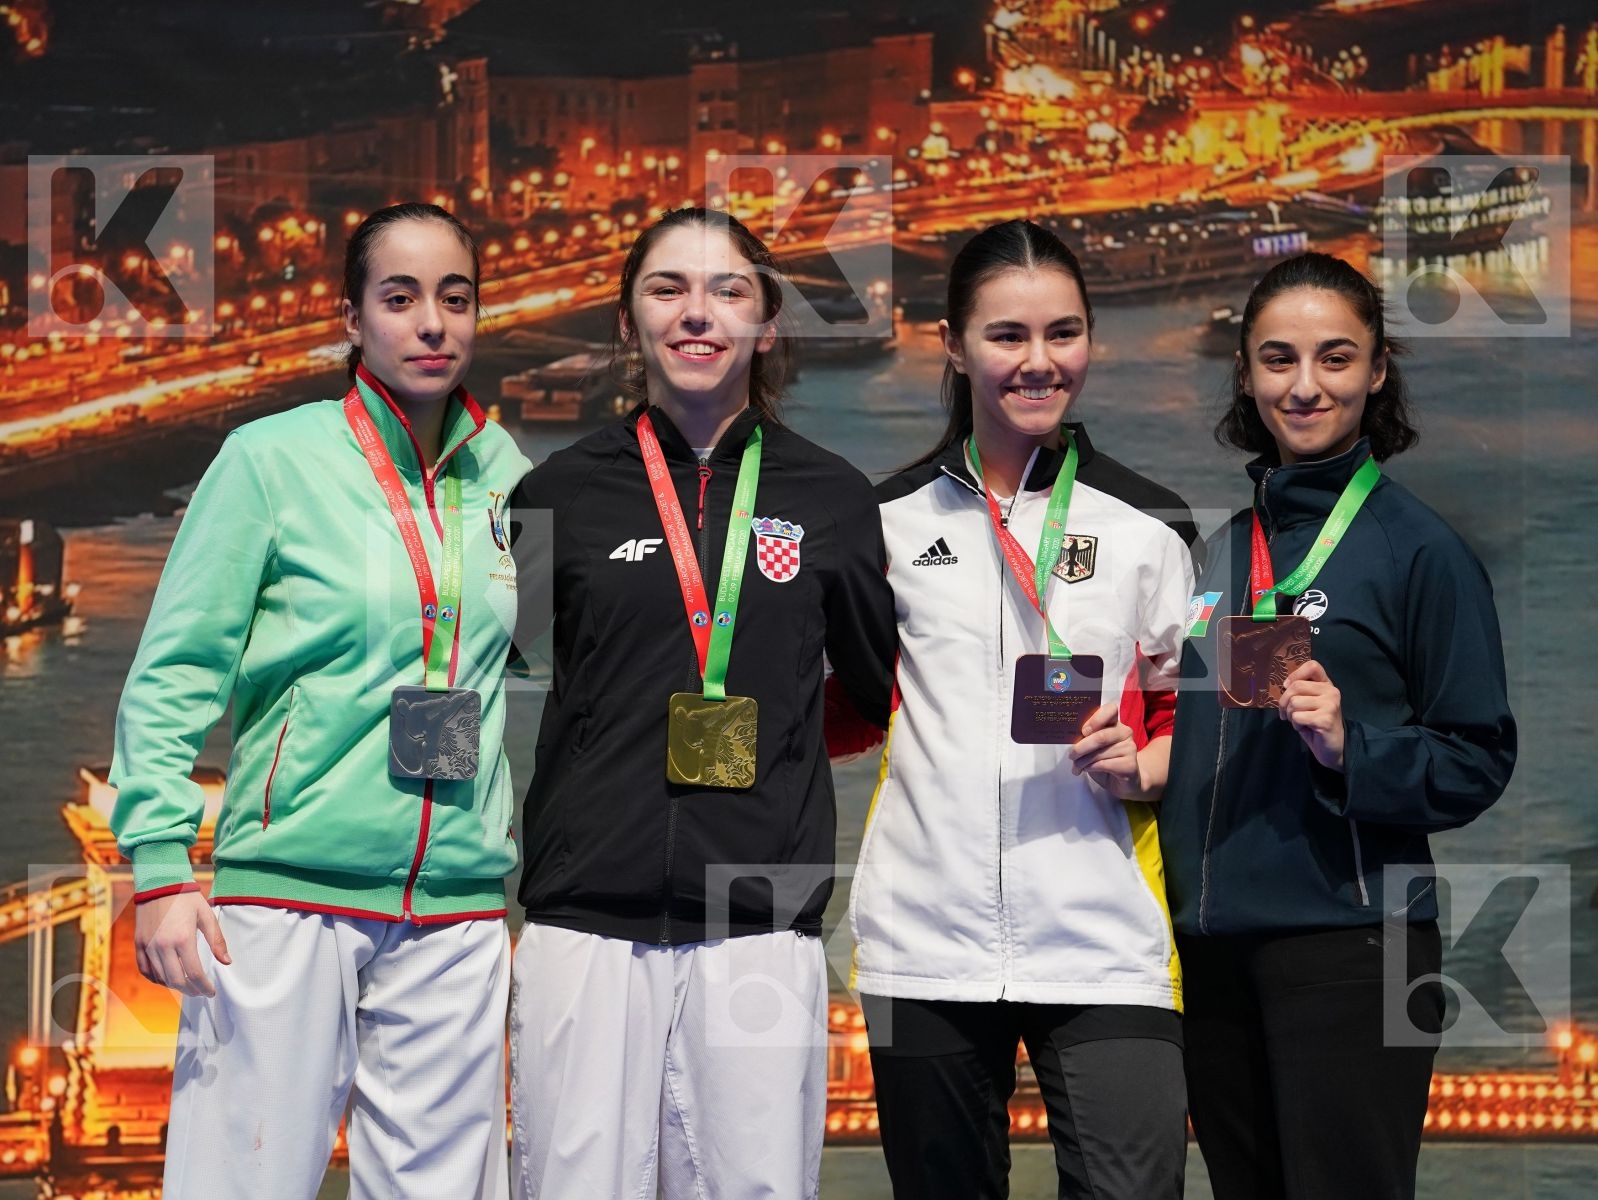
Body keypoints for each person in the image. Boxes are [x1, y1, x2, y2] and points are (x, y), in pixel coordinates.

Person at [110, 202, 529, 1200]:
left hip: (458, 907)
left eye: (455, 298)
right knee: (239, 1183)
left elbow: (549, 658)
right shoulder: (269, 460)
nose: (432, 323)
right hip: (285, 896)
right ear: (350, 320)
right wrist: (161, 865)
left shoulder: (510, 477)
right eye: (400, 298)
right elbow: (176, 670)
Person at [505, 207, 896, 1199]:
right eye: (665, 288)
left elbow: (873, 688)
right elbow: (497, 664)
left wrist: (774, 770)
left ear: (766, 324)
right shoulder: (556, 494)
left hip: (758, 918)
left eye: (728, 290)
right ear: (625, 322)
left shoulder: (833, 497)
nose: (696, 313)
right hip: (583, 916)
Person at [831, 218, 1200, 1199]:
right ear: (951, 344)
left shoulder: (1149, 525)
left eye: (1062, 333)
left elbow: (1192, 714)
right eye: (1006, 336)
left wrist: (1148, 764)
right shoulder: (882, 522)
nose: (1039, 363)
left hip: (1104, 935)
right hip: (924, 938)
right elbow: (847, 708)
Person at [1160, 251, 1517, 1200]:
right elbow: (1217, 740)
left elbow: (1477, 759)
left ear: (1378, 369)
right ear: (1245, 373)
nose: (1305, 385)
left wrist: (1351, 747)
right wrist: (1148, 763)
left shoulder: (1423, 552)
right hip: (1213, 947)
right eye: (1278, 359)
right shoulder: (1223, 548)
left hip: (1355, 941)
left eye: (1335, 358)